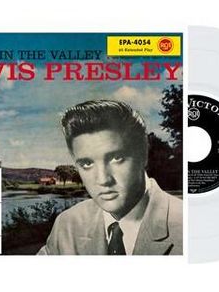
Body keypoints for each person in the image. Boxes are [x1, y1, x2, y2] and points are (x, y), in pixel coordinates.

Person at [38, 100, 183, 255]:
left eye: (117, 158)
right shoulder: (67, 225)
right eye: (86, 163)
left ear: (143, 154)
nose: (103, 180)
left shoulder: (189, 224)